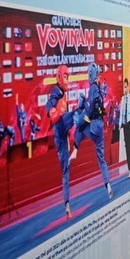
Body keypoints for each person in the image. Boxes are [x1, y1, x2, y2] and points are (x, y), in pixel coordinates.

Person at [70, 63, 113, 202]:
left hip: (94, 126)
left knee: (79, 126)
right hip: (100, 127)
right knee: (101, 159)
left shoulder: (93, 89)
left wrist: (82, 108)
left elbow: (89, 111)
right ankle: (108, 184)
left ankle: (75, 150)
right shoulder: (99, 88)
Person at [45, 65, 76, 219]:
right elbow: (50, 103)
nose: (66, 80)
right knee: (78, 113)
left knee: (66, 171)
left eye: (67, 77)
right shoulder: (56, 91)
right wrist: (51, 111)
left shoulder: (65, 93)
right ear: (59, 77)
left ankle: (67, 206)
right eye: (64, 76)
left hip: (61, 134)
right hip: (59, 127)